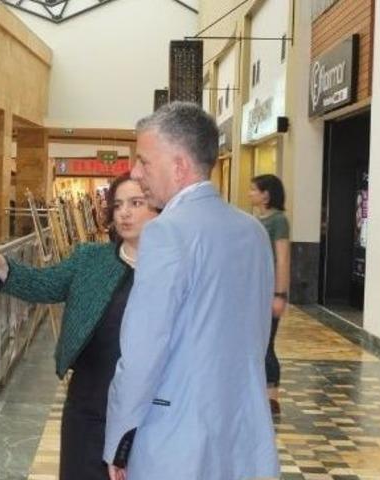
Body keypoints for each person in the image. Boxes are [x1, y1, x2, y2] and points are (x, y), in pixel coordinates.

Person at [104, 102, 279, 480]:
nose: (135, 172)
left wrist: (118, 441)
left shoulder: (166, 232)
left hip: (176, 440)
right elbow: (257, 336)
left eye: (144, 161)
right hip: (238, 434)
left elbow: (143, 353)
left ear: (179, 165)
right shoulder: (252, 232)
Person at [0, 174, 159, 480]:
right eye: (118, 205)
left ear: (158, 209)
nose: (124, 213)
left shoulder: (175, 269)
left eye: (136, 203)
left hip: (147, 412)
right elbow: (44, 283)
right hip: (89, 404)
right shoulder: (91, 259)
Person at [249, 174, 290, 415]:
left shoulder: (278, 221)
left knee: (267, 343)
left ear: (266, 195)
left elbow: (283, 258)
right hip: (255, 290)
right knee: (256, 342)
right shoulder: (255, 220)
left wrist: (280, 294)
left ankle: (272, 397)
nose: (250, 194)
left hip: (269, 291)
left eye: (254, 190)